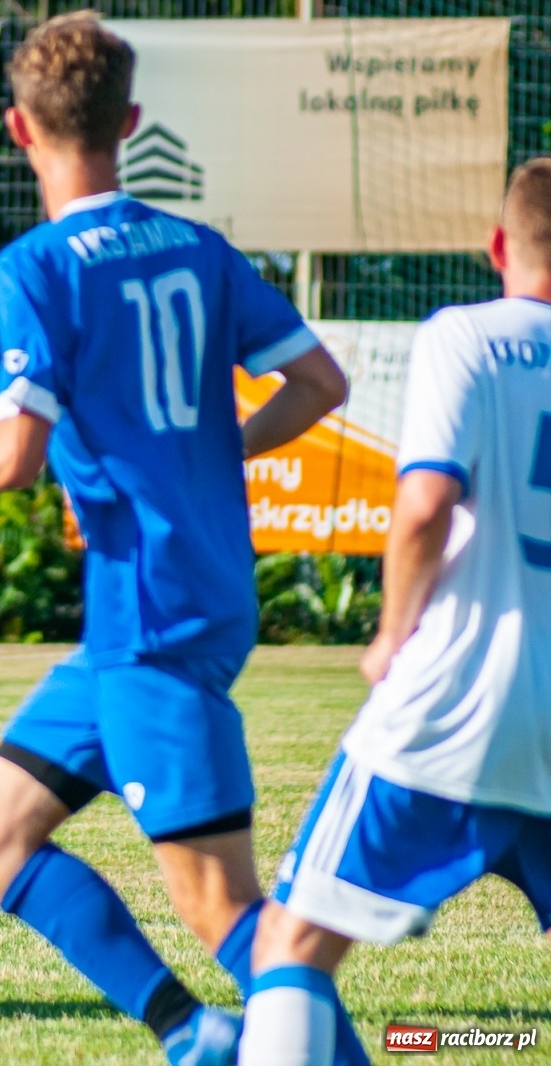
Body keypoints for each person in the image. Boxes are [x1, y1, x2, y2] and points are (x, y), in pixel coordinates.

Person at [0, 14, 357, 1065]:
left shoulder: (37, 265)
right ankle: (190, 1034)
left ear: (18, 130)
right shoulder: (199, 248)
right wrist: (215, 455)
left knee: (224, 911)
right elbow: (321, 384)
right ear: (129, 121)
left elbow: (10, 456)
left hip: (153, 618)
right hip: (142, 615)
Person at [237, 160, 551, 1065]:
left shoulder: (469, 337)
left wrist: (390, 634)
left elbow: (422, 508)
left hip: (459, 702)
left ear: (498, 247)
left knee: (292, 950)